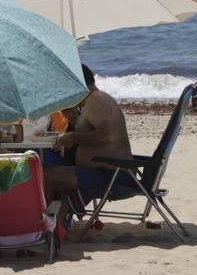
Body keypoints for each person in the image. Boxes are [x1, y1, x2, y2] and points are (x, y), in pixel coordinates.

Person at [42, 64, 132, 199]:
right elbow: (91, 131)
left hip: (112, 175)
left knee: (48, 178)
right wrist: (72, 117)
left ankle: (46, 220)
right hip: (103, 171)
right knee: (50, 173)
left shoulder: (97, 99)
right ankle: (58, 217)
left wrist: (73, 137)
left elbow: (107, 136)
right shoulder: (90, 101)